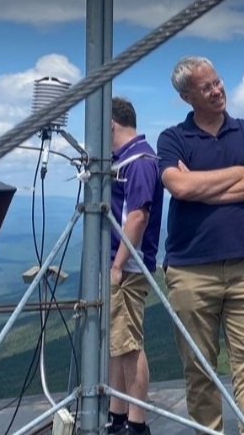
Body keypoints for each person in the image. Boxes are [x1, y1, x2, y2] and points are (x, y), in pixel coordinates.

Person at [156, 56, 244, 435]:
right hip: (190, 269)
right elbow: (179, 186)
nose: (217, 90)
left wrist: (204, 189)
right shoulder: (172, 138)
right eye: (206, 86)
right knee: (199, 367)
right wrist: (242, 173)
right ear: (186, 95)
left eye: (218, 81)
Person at [107, 96, 163, 435]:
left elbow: (138, 216)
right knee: (118, 343)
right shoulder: (128, 158)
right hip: (123, 264)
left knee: (129, 346)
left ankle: (136, 423)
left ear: (110, 123)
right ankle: (118, 415)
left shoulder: (139, 161)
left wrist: (117, 264)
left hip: (127, 267)